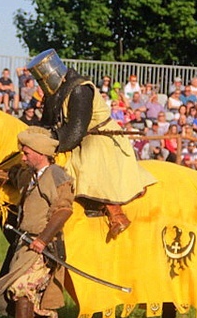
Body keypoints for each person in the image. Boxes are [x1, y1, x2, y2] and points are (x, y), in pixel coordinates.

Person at [28, 49, 156, 238]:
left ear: (53, 73)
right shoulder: (54, 93)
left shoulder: (80, 89)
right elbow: (46, 125)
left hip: (99, 139)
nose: (42, 85)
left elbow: (75, 132)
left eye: (43, 80)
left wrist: (50, 144)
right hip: (76, 139)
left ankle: (116, 213)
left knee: (86, 167)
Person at [0, 127, 74, 318]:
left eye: (26, 153)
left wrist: (43, 240)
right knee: (35, 300)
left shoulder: (56, 175)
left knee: (21, 287)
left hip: (44, 248)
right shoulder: (31, 175)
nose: (22, 158)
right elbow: (12, 178)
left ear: (40, 152)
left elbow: (63, 210)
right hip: (25, 246)